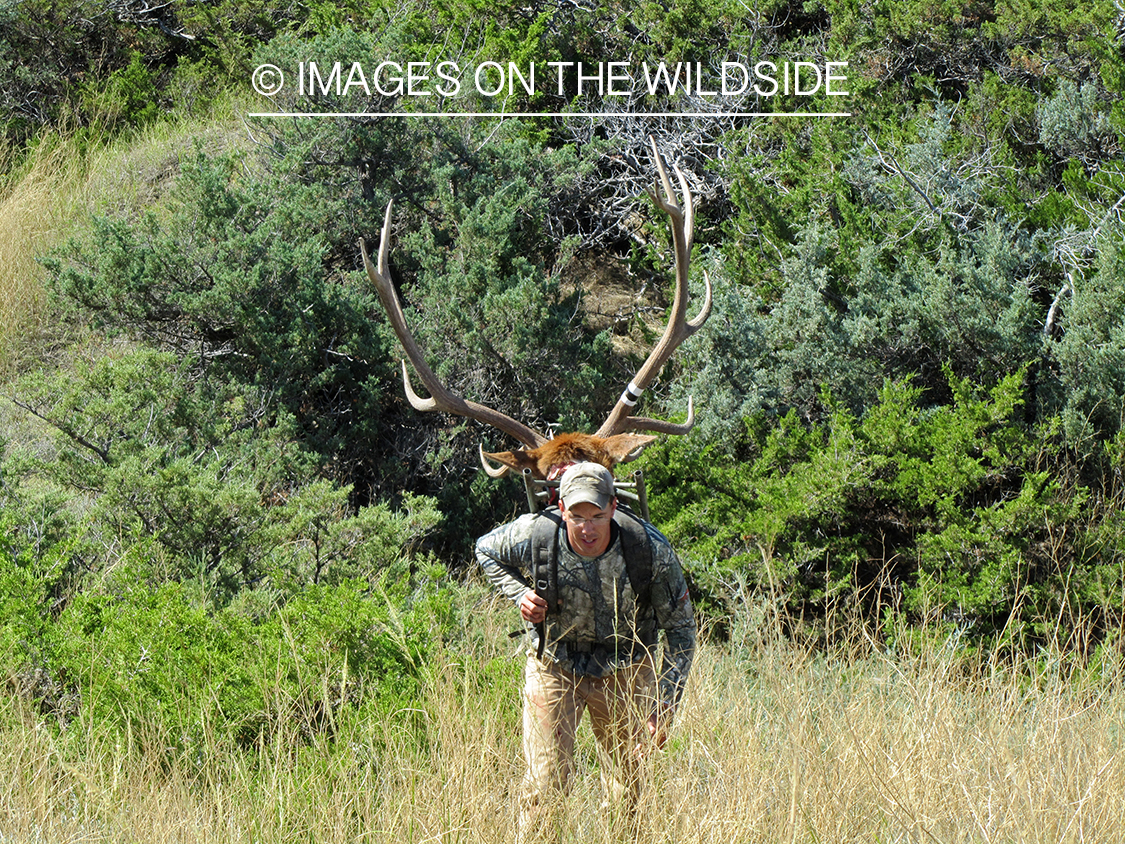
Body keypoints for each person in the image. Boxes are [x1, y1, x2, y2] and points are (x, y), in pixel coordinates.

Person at [475, 461, 696, 841]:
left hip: (625, 671)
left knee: (628, 789)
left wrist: (665, 703)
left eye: (596, 515)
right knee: (544, 788)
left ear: (612, 506)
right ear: (561, 508)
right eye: (577, 515)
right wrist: (520, 595)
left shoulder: (649, 550)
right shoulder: (537, 533)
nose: (587, 527)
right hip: (554, 666)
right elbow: (485, 549)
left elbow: (681, 632)